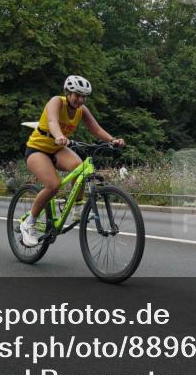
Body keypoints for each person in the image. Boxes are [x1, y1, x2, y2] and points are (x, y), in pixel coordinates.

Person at [20, 76, 125, 247]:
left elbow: (96, 129)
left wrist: (112, 140)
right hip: (37, 149)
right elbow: (53, 121)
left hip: (57, 149)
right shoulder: (57, 102)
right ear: (67, 93)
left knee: (81, 167)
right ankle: (28, 223)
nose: (80, 99)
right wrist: (60, 135)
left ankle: (77, 208)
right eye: (77, 95)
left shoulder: (81, 109)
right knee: (53, 185)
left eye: (84, 96)